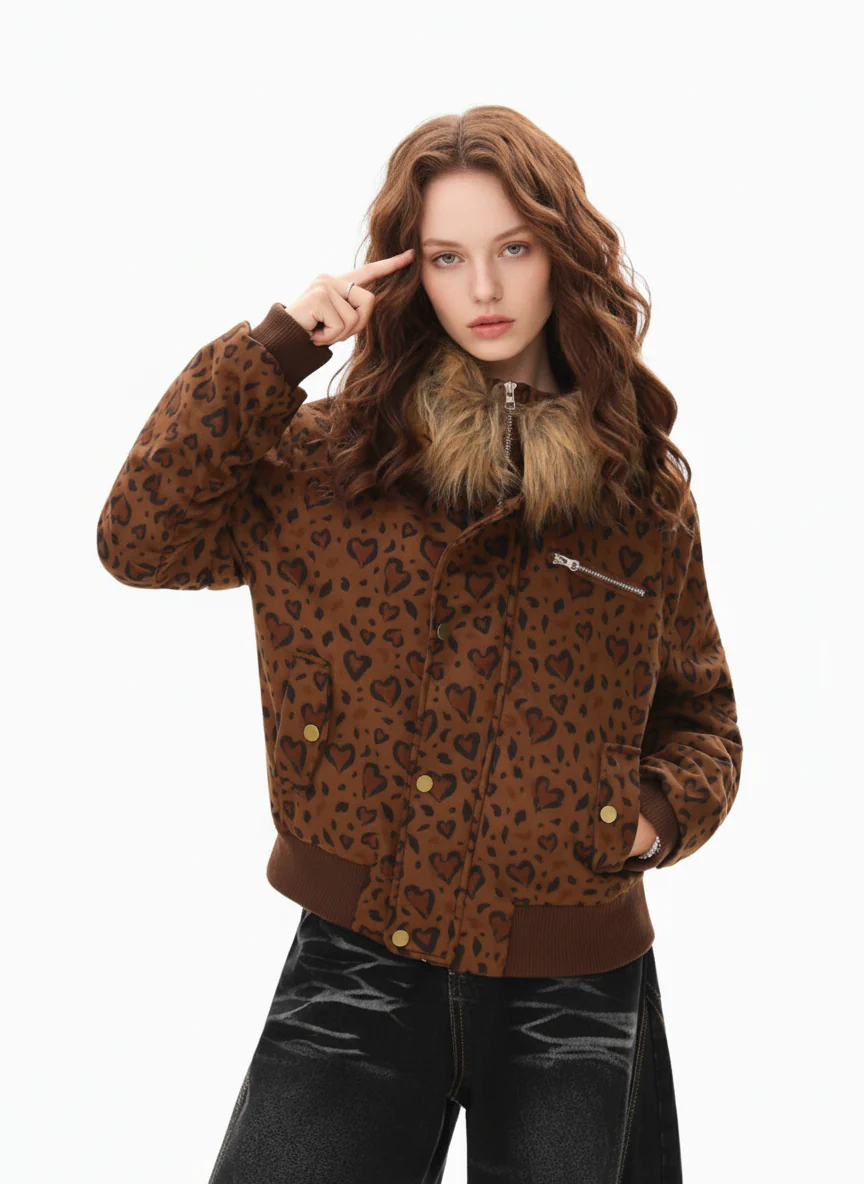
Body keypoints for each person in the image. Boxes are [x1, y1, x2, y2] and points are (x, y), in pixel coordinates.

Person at [97, 105, 742, 1182]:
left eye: (513, 249)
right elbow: (139, 539)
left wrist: (648, 818)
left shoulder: (638, 493)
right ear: (409, 272)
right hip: (359, 959)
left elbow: (703, 715)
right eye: (448, 257)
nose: (484, 288)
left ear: (562, 254)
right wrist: (278, 349)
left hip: (574, 984)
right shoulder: (333, 464)